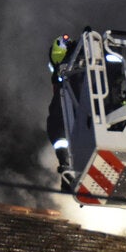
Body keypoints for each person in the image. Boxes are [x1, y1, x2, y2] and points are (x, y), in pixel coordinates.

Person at [46, 34, 76, 181]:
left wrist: (64, 164)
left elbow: (56, 127)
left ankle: (66, 163)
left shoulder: (65, 84)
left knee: (55, 124)